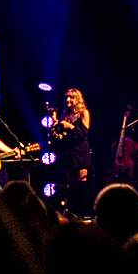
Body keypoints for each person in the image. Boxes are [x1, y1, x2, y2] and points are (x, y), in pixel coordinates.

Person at [53, 88, 92, 216]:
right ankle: (73, 212)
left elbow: (84, 134)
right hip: (68, 152)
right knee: (71, 184)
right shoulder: (65, 115)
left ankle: (82, 213)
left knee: (81, 182)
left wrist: (70, 127)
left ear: (77, 99)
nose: (68, 100)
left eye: (71, 97)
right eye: (66, 97)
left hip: (80, 151)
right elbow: (59, 136)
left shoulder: (84, 113)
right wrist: (56, 123)